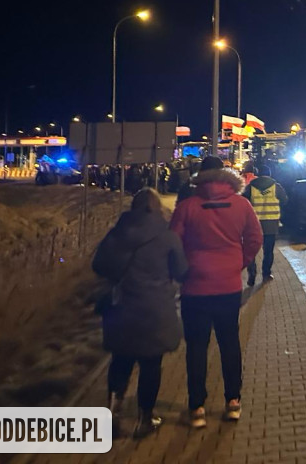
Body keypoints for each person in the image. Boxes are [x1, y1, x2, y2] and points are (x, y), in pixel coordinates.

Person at [170, 155, 262, 428]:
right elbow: (255, 238)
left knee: (196, 348)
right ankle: (233, 401)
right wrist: (238, 263)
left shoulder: (187, 207)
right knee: (229, 344)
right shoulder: (241, 204)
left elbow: (172, 244)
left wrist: (184, 271)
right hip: (228, 287)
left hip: (195, 289)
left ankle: (197, 407)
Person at [92, 188, 188, 439]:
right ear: (156, 209)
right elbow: (181, 271)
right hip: (154, 311)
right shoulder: (168, 238)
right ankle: (145, 419)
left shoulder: (117, 234)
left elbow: (99, 265)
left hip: (121, 309)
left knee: (120, 361)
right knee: (151, 365)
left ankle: (112, 413)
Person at [242, 164, 288, 284]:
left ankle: (252, 274)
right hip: (271, 224)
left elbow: (243, 202)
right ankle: (266, 274)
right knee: (268, 251)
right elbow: (285, 200)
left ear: (257, 174)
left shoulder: (250, 187)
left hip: (254, 225)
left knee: (251, 250)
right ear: (270, 173)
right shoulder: (276, 187)